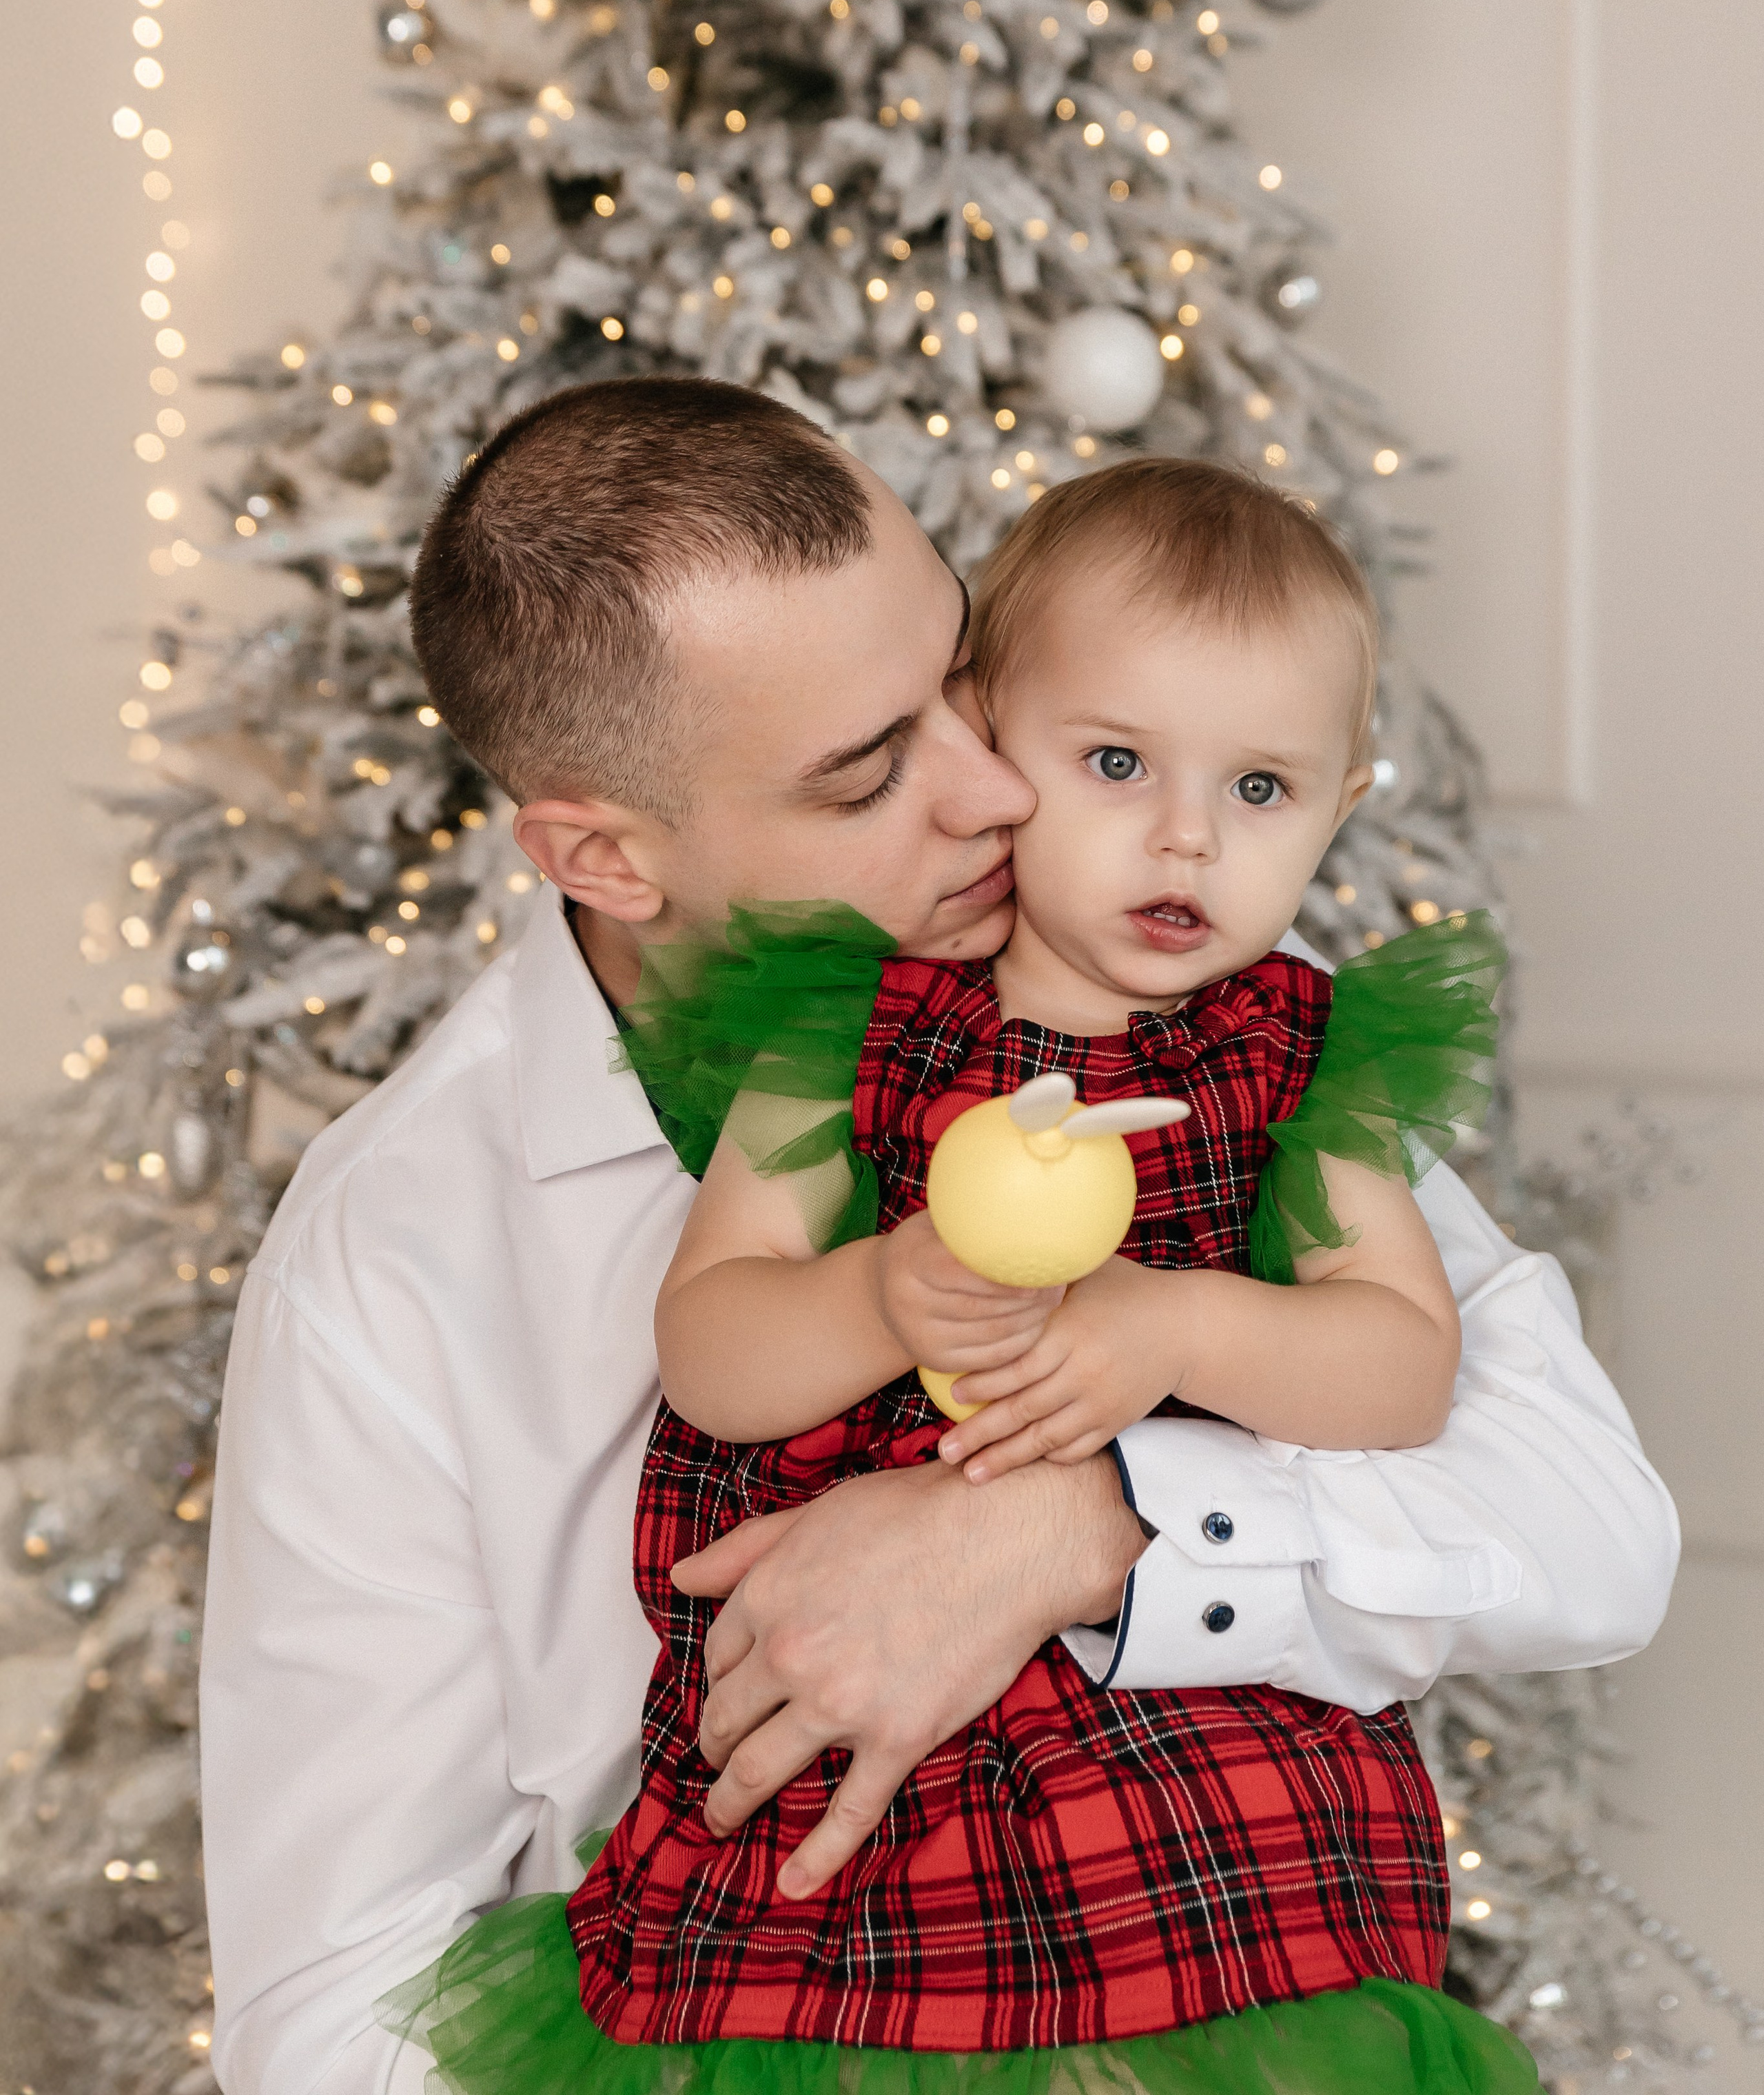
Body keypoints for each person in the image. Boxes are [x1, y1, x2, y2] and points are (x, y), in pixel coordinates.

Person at [199, 380, 1679, 2095]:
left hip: (1191, 1933)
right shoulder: (392, 1258)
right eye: (868, 767)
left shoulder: (1186, 1028)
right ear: (600, 853)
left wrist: (1092, 1527)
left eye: (959, 681)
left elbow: (1582, 1528)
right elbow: (331, 2004)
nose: (994, 790)